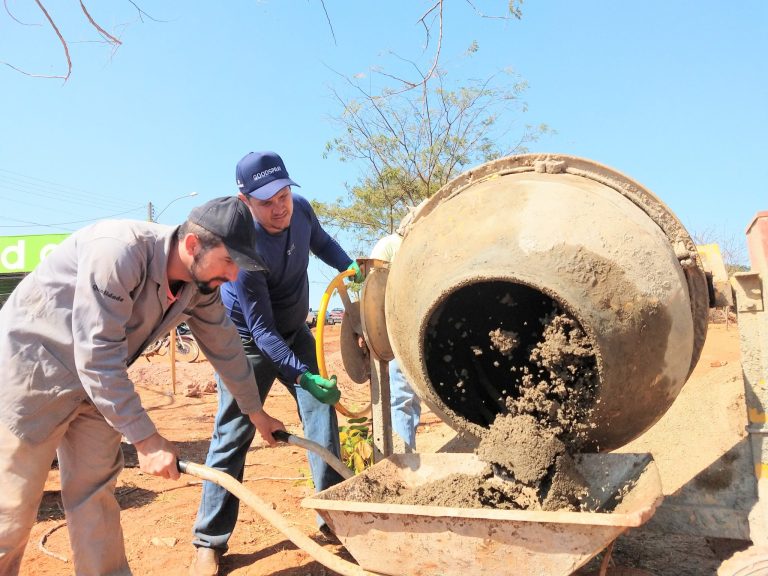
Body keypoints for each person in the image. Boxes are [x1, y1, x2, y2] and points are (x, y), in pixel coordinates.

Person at [0, 197, 286, 576]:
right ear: (191, 246)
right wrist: (147, 441)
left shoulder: (198, 285)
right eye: (230, 261)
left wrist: (255, 412)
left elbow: (226, 345)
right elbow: (96, 354)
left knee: (95, 496)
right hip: (34, 372)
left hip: (100, 387)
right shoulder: (118, 253)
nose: (234, 276)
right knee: (12, 508)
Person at [190, 151, 363, 576]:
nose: (280, 205)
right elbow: (262, 333)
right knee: (232, 434)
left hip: (295, 332)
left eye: (284, 193)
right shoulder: (243, 251)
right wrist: (303, 375)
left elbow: (319, 241)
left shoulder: (299, 210)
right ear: (245, 200)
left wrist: (348, 265)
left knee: (321, 416)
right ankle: (209, 541)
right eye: (267, 200)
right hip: (247, 343)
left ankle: (334, 519)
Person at [369, 214, 422, 452]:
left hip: (414, 332)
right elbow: (372, 292)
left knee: (413, 397)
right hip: (394, 332)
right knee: (401, 397)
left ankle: (408, 450)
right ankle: (403, 455)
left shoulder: (418, 246)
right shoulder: (390, 246)